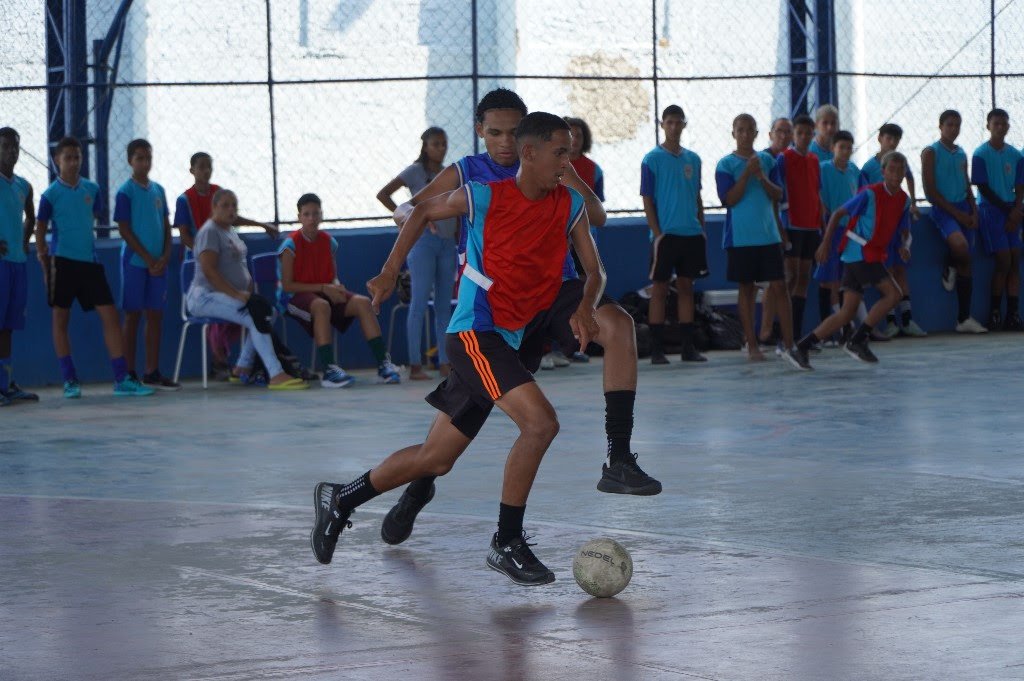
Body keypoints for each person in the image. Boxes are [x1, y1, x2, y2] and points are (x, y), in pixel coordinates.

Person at [311, 112, 604, 586]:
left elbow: (594, 270)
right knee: (540, 423)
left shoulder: (568, 204)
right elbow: (423, 209)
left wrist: (586, 305)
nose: (568, 162)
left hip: (509, 340)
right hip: (476, 334)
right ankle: (507, 541)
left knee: (436, 458)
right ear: (530, 154)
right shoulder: (485, 194)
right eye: (560, 153)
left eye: (570, 152)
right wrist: (389, 271)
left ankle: (341, 498)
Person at [388, 88, 659, 502]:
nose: (505, 142)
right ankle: (421, 483)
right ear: (480, 131)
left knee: (618, 324)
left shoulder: (552, 164)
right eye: (495, 133)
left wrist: (573, 179)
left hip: (553, 293)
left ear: (527, 137)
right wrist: (413, 220)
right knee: (460, 422)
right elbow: (410, 208)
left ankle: (618, 457)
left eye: (514, 133)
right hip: (493, 306)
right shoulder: (468, 174)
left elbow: (597, 216)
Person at [35, 136, 154, 399]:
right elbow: (40, 228)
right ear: (57, 160)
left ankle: (122, 378)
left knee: (110, 316)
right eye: (68, 157)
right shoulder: (49, 195)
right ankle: (69, 380)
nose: (74, 162)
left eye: (77, 157)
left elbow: (94, 215)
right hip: (62, 263)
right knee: (60, 320)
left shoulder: (92, 189)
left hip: (90, 263)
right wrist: (44, 258)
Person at [793, 151, 911, 367]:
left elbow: (904, 231)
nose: (896, 174)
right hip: (859, 252)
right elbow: (838, 213)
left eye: (900, 170)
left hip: (871, 254)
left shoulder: (904, 200)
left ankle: (802, 346)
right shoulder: (869, 194)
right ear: (882, 172)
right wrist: (826, 243)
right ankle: (858, 339)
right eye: (891, 170)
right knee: (894, 294)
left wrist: (905, 246)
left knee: (847, 312)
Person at [186, 188, 307, 390]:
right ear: (214, 208)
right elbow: (209, 271)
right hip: (205, 297)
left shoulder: (228, 229)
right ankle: (276, 373)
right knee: (254, 316)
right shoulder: (209, 232)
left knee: (270, 313)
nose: (231, 209)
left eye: (234, 205)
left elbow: (235, 222)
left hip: (227, 295)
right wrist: (237, 294)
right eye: (225, 205)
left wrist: (261, 225)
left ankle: (242, 367)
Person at [173, 151, 279, 379]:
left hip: (222, 266)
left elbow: (233, 218)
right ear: (192, 170)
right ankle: (221, 361)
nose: (205, 171)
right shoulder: (185, 201)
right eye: (201, 167)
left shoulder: (218, 194)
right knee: (234, 309)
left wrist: (260, 224)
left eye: (208, 166)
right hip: (203, 266)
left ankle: (240, 363)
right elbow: (185, 236)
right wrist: (204, 254)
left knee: (254, 309)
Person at [278, 193, 401, 386]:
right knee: (321, 306)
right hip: (293, 298)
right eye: (306, 214)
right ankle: (329, 370)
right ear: (299, 217)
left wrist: (335, 287)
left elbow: (332, 275)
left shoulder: (329, 242)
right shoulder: (289, 246)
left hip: (322, 291)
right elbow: (287, 286)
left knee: (363, 302)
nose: (311, 218)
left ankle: (383, 365)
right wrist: (324, 288)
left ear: (321, 215)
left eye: (315, 213)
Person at [715, 114, 807, 370]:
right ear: (733, 133)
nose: (745, 134)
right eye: (740, 130)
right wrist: (746, 174)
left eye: (750, 130)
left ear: (757, 133)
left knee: (780, 286)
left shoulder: (769, 161)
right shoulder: (725, 164)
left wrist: (761, 176)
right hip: (741, 238)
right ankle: (752, 343)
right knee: (747, 289)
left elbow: (778, 194)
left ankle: (789, 345)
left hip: (768, 236)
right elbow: (729, 199)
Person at [376, 127, 457, 380]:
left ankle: (445, 362)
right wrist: (406, 219)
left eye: (443, 144)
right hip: (422, 243)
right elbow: (384, 194)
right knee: (419, 303)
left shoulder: (450, 174)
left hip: (448, 244)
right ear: (425, 146)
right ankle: (415, 364)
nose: (440, 148)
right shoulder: (414, 172)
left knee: (444, 306)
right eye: (435, 144)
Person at [640, 104, 707, 364]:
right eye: (669, 122)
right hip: (666, 235)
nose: (674, 127)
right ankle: (657, 350)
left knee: (687, 287)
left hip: (691, 233)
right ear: (662, 125)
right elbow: (647, 199)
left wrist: (701, 227)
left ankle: (688, 348)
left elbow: (698, 196)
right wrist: (658, 234)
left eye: (679, 122)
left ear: (684, 125)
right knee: (659, 289)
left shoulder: (694, 159)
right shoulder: (651, 159)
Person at [114, 139, 181, 389]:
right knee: (132, 316)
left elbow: (165, 225)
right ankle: (128, 371)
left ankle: (151, 371)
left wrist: (164, 255)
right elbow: (124, 228)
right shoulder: (125, 191)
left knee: (156, 316)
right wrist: (147, 257)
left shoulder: (159, 190)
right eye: (139, 158)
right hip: (134, 262)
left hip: (158, 265)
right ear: (130, 161)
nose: (145, 162)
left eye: (148, 157)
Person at [921, 110, 986, 333]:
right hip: (943, 209)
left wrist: (974, 211)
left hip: (964, 209)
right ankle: (949, 263)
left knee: (967, 259)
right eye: (949, 124)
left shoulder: (961, 153)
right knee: (960, 247)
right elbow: (930, 191)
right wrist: (957, 215)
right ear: (940, 126)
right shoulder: (930, 152)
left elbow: (967, 185)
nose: (954, 129)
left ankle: (963, 319)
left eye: (957, 125)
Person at [859, 123, 925, 337]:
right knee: (883, 273)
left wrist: (913, 203)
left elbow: (911, 178)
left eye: (896, 139)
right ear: (880, 138)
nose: (893, 143)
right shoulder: (869, 168)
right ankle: (889, 321)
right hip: (879, 229)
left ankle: (906, 320)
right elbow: (862, 197)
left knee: (900, 269)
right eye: (889, 138)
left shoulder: (901, 163)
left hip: (898, 224)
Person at [971, 108, 1024, 331]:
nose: (1001, 127)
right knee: (1003, 260)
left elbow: (1020, 185)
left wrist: (1017, 209)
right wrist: (1007, 210)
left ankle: (1012, 314)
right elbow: (982, 186)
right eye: (996, 123)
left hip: (1012, 210)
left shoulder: (1016, 155)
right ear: (988, 126)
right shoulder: (980, 154)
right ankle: (994, 312)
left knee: (1015, 259)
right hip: (991, 210)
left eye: (1004, 123)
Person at [772, 114, 823, 341]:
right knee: (789, 278)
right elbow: (777, 194)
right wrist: (781, 229)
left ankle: (796, 334)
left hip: (811, 227)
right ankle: (782, 334)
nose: (803, 137)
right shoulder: (783, 159)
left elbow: (816, 194)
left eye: (807, 133)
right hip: (791, 225)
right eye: (799, 133)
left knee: (803, 279)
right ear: (794, 135)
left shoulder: (814, 160)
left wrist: (820, 225)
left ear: (813, 135)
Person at [0, 127, 39, 406]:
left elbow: (31, 215)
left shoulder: (24, 185)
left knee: (8, 327)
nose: (10, 152)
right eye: (4, 147)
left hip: (17, 263)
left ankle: (5, 384)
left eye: (14, 147)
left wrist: (25, 240)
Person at [563, 115, 605, 363]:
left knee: (583, 289)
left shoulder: (592, 169)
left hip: (584, 240)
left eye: (577, 135)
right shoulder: (546, 167)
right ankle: (556, 347)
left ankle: (578, 344)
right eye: (569, 135)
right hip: (558, 244)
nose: (574, 140)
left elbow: (598, 212)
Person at [814, 130, 860, 340]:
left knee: (845, 279)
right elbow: (819, 198)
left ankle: (844, 327)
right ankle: (826, 330)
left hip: (849, 233)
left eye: (849, 148)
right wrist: (825, 228)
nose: (845, 151)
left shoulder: (853, 171)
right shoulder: (823, 169)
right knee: (827, 280)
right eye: (841, 147)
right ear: (833, 148)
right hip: (830, 230)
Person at [758, 117, 794, 346]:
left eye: (787, 132)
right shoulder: (764, 160)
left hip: (790, 223)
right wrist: (779, 231)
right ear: (770, 134)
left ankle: (782, 330)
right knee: (774, 281)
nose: (783, 136)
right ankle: (764, 331)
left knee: (787, 279)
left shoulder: (789, 160)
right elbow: (770, 201)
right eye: (779, 131)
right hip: (770, 227)